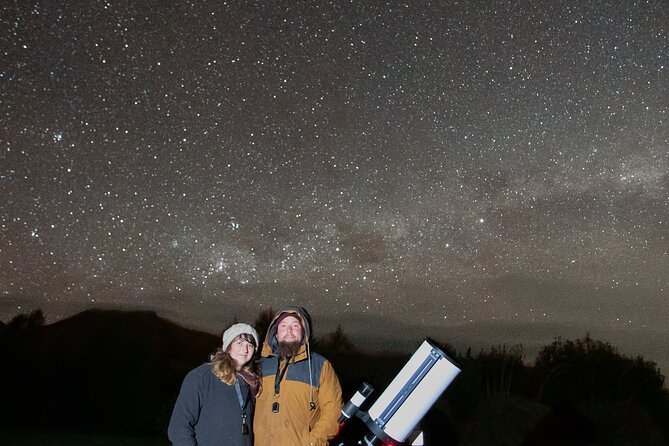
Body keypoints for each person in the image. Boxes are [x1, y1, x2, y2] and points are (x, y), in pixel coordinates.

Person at [254, 306, 342, 446]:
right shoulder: (258, 365)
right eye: (283, 325)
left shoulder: (320, 366)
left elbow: (333, 411)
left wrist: (313, 441)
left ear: (303, 332)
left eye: (295, 325)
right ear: (275, 333)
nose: (289, 330)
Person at [168, 323, 260, 446]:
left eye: (250, 345)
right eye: (239, 343)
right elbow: (179, 426)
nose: (245, 350)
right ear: (228, 346)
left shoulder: (251, 383)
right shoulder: (202, 376)